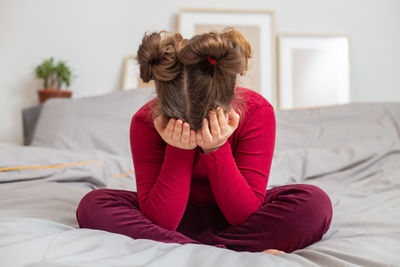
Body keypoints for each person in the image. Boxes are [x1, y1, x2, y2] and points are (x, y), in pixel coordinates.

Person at [75, 28, 332, 254]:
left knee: (314, 205)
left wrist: (216, 148)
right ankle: (223, 250)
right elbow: (162, 219)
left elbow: (243, 213)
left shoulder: (256, 111)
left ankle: (177, 247)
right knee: (92, 206)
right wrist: (179, 148)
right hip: (171, 215)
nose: (198, 135)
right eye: (187, 127)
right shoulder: (146, 121)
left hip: (240, 216)